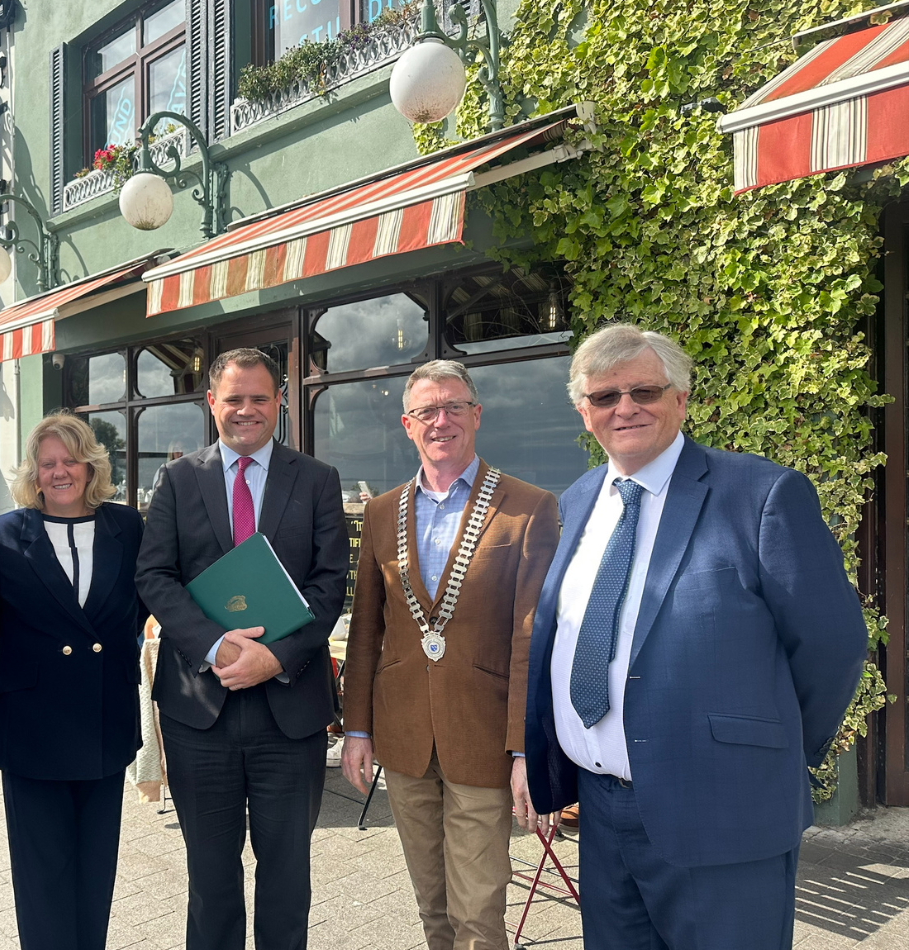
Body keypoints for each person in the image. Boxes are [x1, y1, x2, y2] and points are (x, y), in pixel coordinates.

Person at [524, 324, 867, 948]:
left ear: (681, 399)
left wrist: (766, 753)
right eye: (605, 397)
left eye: (645, 391)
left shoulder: (760, 495)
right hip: (601, 816)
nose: (625, 407)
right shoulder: (573, 504)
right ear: (584, 411)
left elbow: (833, 646)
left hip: (726, 812)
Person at [136, 348, 350, 950]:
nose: (246, 410)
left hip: (290, 708)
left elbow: (330, 584)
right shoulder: (179, 479)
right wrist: (214, 646)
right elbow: (154, 577)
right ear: (212, 403)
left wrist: (276, 656)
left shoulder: (316, 479)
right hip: (198, 710)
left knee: (287, 873)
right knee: (210, 878)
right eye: (234, 398)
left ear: (279, 401)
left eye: (259, 398)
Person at [342, 360, 559, 950]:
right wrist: (356, 729)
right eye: (428, 412)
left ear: (476, 416)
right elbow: (366, 631)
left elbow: (530, 639)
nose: (442, 421)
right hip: (405, 736)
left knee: (479, 913)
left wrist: (524, 747)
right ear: (407, 424)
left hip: (484, 737)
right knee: (432, 908)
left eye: (454, 407)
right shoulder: (383, 511)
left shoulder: (529, 508)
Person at [0, 412, 146, 950]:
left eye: (70, 459)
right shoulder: (2, 535)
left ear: (90, 464)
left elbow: (140, 608)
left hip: (104, 719)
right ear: (34, 472)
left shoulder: (128, 527)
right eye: (47, 463)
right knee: (42, 876)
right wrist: (37, 667)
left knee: (96, 871)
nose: (60, 472)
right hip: (34, 728)